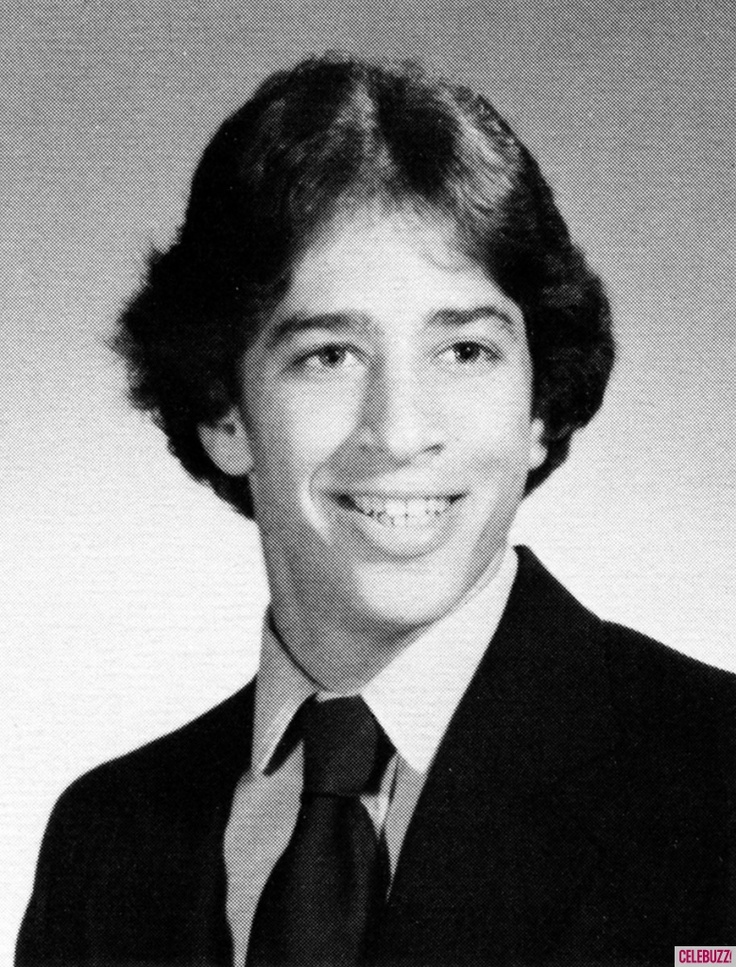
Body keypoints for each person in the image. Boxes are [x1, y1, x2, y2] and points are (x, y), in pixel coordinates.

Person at [16, 54, 735, 967]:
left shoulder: (716, 781)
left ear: (540, 407)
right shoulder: (108, 841)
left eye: (465, 350)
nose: (398, 431)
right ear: (222, 411)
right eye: (329, 355)